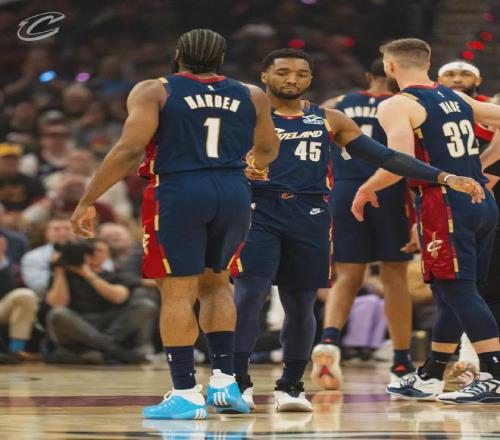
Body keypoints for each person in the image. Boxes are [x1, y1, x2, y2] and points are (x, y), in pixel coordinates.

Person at [231, 48, 483, 412]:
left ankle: (291, 386)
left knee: (301, 303)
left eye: (301, 73)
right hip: (259, 212)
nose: (292, 79)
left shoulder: (329, 118)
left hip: (311, 213)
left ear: (310, 79)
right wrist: (237, 171)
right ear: (265, 76)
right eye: (283, 72)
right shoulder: (247, 116)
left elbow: (387, 156)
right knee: (249, 297)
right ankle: (238, 381)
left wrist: (442, 176)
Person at [69, 29, 280, 420]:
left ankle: (185, 393)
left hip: (179, 190)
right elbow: (268, 148)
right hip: (233, 190)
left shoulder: (155, 89)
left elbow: (130, 149)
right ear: (221, 59)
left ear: (178, 55)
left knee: (178, 292)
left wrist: (88, 199)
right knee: (218, 283)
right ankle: (225, 383)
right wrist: (254, 167)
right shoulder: (252, 94)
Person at [351, 38, 500, 404]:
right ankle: (432, 374)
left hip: (444, 201)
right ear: (428, 63)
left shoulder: (398, 104)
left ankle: (494, 375)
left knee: (458, 290)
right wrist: (482, 164)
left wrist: (367, 187)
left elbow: (400, 163)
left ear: (390, 67)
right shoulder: (457, 98)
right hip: (481, 200)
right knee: (450, 291)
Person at [311, 59, 415, 391]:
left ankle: (329, 342)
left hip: (343, 191)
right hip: (388, 190)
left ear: (368, 77)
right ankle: (401, 361)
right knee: (394, 276)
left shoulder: (337, 104)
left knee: (347, 276)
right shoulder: (404, 104)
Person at [437, 61, 499, 386]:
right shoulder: (433, 111)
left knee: (475, 287)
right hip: (453, 205)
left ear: (479, 79)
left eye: (464, 74)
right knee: (454, 288)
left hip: (481, 204)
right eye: (450, 74)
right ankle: (460, 362)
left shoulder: (489, 110)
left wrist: (480, 173)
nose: (458, 79)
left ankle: (477, 364)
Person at [45, 239, 156, 364]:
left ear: (108, 256)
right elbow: (58, 304)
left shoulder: (113, 276)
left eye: (100, 251)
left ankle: (100, 350)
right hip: (78, 326)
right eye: (91, 251)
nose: (95, 254)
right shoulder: (62, 277)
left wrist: (87, 274)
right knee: (58, 314)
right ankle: (113, 351)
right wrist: (59, 270)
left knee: (145, 305)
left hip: (110, 326)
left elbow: (118, 297)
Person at [21, 218, 76, 296]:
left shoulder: (88, 253)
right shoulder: (33, 257)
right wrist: (58, 270)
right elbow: (38, 287)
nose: (62, 233)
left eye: (67, 229)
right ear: (47, 234)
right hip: (48, 298)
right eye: (56, 229)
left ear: (76, 232)